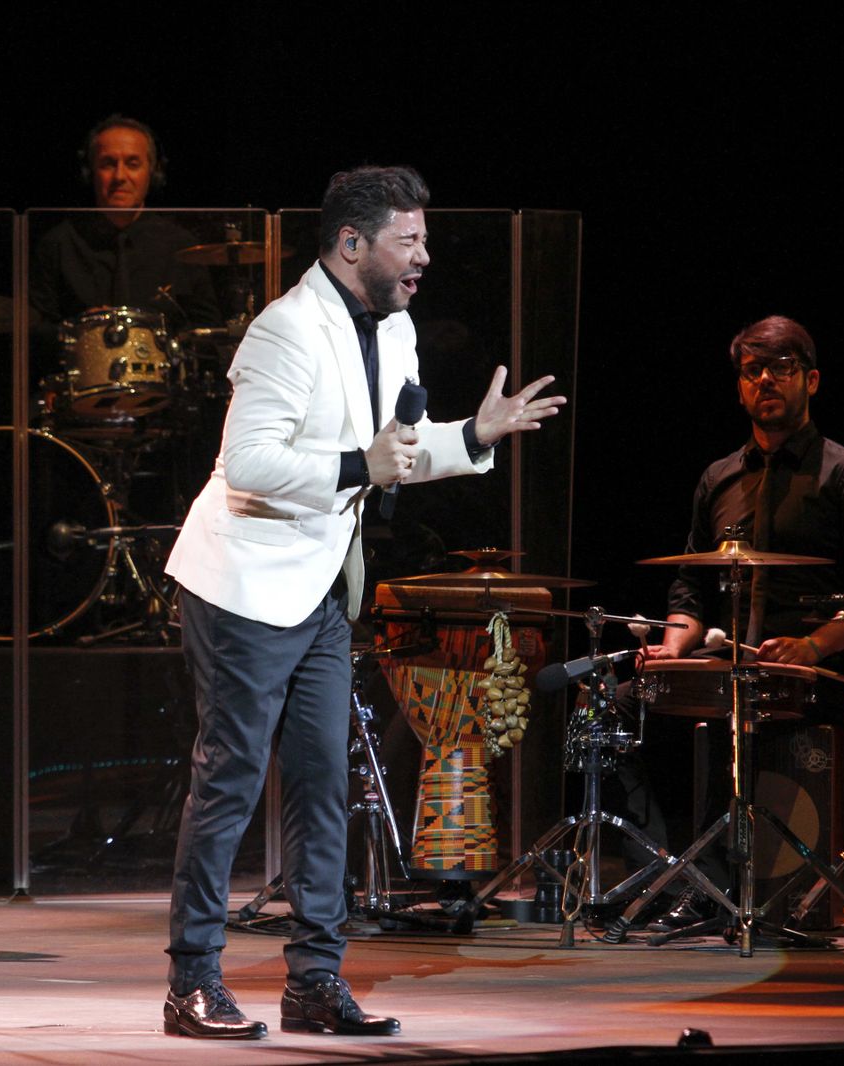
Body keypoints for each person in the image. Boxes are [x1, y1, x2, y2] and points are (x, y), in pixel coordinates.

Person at [161, 166, 566, 1038]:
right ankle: (191, 982)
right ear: (352, 245)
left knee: (323, 782)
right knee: (229, 779)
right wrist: (360, 469)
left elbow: (398, 452)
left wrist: (474, 437)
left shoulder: (396, 326)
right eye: (407, 241)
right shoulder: (285, 332)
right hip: (244, 581)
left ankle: (314, 982)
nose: (423, 255)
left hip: (318, 587)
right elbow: (251, 469)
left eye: (423, 239)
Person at [640, 314, 844, 929]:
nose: (766, 380)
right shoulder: (718, 478)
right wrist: (674, 645)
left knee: (753, 720)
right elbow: (691, 581)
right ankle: (686, 878)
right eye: (752, 370)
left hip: (819, 674)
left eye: (782, 369)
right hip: (731, 661)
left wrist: (813, 646)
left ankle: (770, 890)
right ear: (739, 386)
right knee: (618, 706)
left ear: (811, 381)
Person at [28, 113, 219, 342]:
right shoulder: (58, 244)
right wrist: (76, 330)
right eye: (108, 164)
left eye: (132, 164)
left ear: (153, 171)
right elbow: (32, 331)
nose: (120, 176)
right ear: (90, 171)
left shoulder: (181, 247)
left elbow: (209, 333)